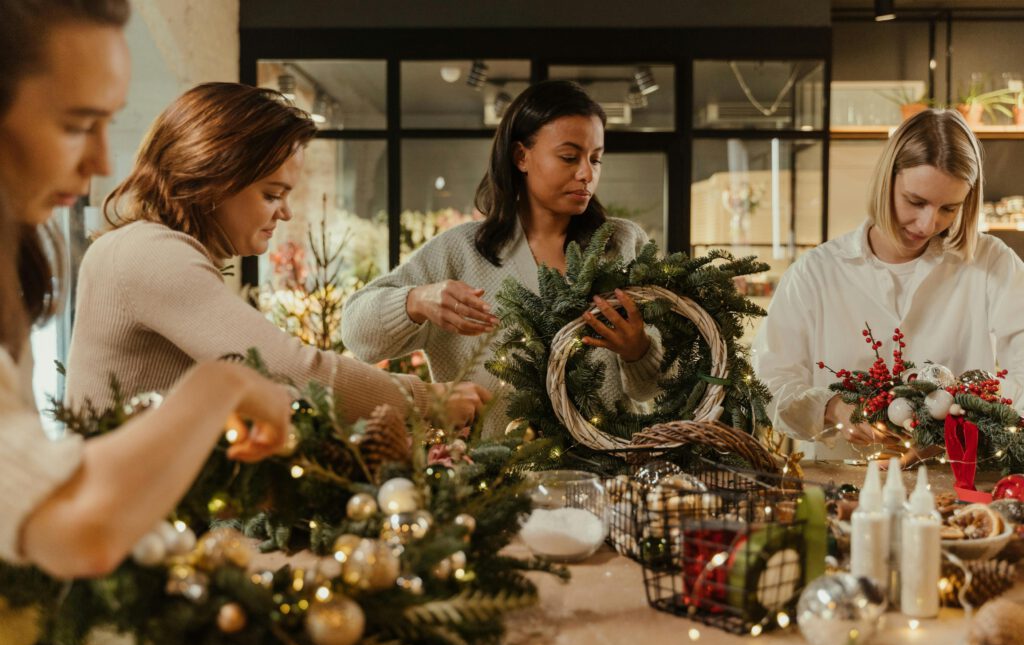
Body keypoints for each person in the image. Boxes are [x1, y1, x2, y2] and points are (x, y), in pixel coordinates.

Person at [0, 0, 293, 578]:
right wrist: (224, 383)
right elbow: (78, 529)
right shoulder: (150, 251)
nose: (103, 159)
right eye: (77, 125)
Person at [64, 82, 490, 427]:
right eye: (272, 194)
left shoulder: (141, 248)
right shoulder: (150, 253)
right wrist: (425, 399)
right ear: (214, 174)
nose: (284, 212)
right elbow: (288, 368)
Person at [342, 80, 663, 437]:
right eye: (569, 157)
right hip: (493, 487)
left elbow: (657, 387)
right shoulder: (460, 252)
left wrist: (639, 351)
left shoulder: (621, 244)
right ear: (521, 156)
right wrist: (416, 301)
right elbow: (358, 336)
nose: (587, 173)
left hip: (610, 479)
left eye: (595, 158)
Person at [753, 108, 1024, 464]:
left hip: (960, 491)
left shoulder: (992, 262)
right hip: (843, 488)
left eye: (949, 209)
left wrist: (963, 418)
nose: (928, 224)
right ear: (887, 180)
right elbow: (768, 384)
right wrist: (832, 408)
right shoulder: (815, 274)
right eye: (916, 201)